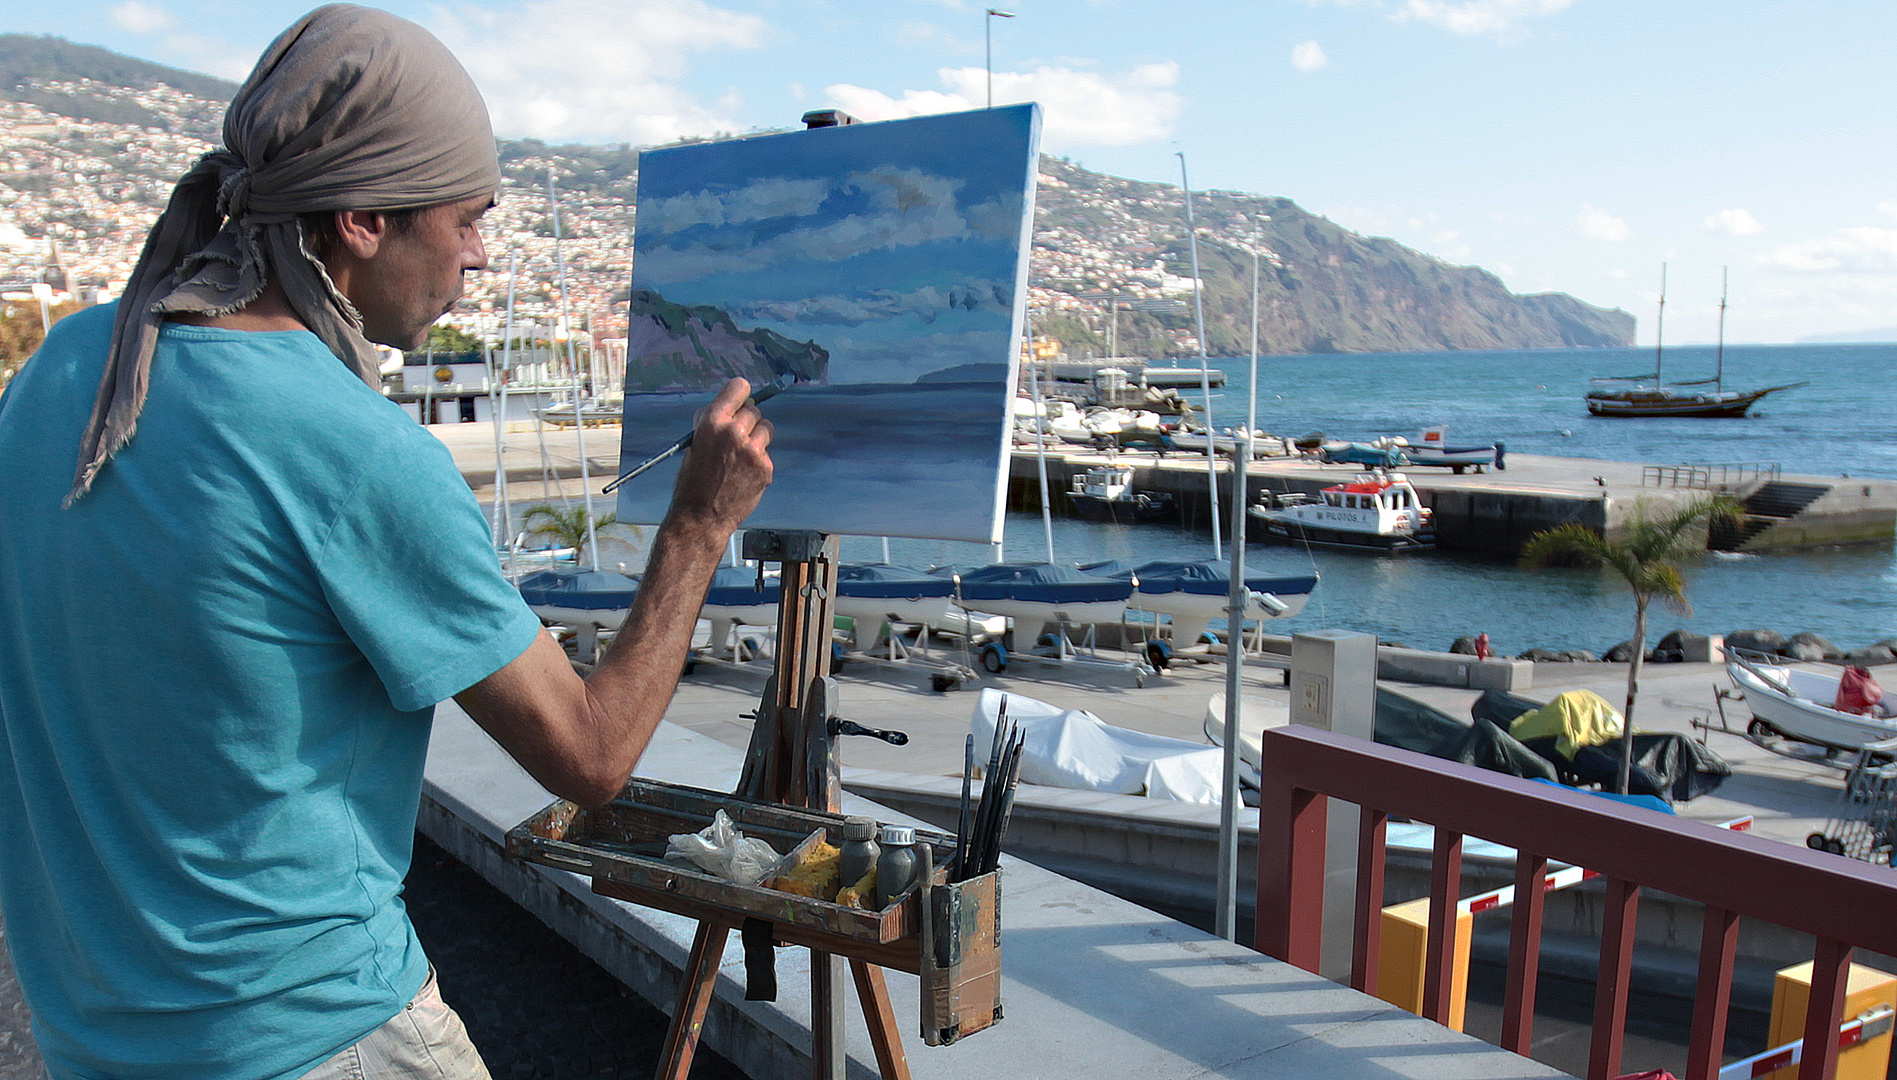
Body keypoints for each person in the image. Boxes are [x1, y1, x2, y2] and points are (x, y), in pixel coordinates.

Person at [0, 7, 772, 1079]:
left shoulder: (66, 372)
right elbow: (590, 756)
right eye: (465, 218)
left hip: (99, 1035)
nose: (477, 254)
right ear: (362, 218)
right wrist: (696, 527)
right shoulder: (356, 450)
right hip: (311, 1032)